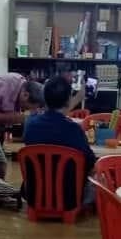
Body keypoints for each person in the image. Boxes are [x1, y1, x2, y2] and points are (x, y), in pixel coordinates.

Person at [22, 74, 96, 207]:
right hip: (69, 200)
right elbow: (91, 167)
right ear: (68, 100)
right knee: (97, 182)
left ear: (44, 99)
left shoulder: (30, 124)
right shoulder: (74, 129)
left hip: (35, 196)